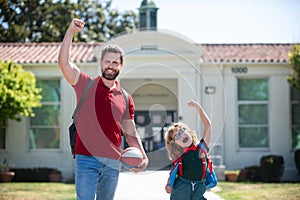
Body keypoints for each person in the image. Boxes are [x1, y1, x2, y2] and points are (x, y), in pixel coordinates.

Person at [58, 18, 149, 200]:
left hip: (113, 162)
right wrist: (70, 32)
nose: (111, 66)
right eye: (108, 62)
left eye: (115, 63)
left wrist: (143, 155)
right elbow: (64, 63)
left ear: (121, 66)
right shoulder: (84, 84)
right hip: (87, 159)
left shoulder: (125, 97)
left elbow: (130, 132)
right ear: (101, 63)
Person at [164, 100, 212, 200]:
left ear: (189, 132)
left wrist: (198, 108)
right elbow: (174, 171)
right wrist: (168, 185)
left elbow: (208, 125)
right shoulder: (179, 155)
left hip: (199, 187)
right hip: (181, 188)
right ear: (175, 144)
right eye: (177, 136)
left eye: (182, 131)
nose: (181, 135)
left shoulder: (201, 149)